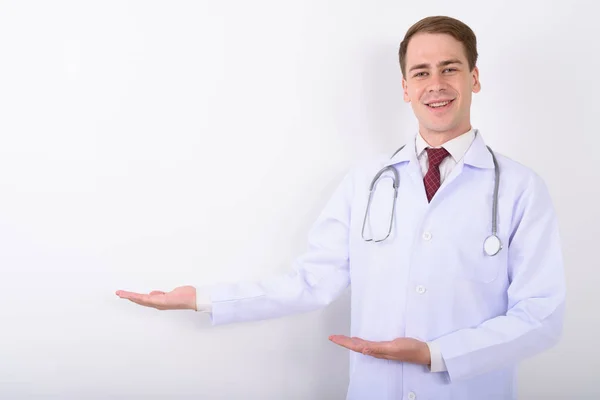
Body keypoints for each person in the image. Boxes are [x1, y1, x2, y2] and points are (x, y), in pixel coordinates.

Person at [116, 15, 566, 399]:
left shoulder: (522, 188)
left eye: (450, 68)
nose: (436, 84)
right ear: (406, 88)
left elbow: (540, 316)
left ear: (475, 78)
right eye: (422, 72)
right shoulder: (367, 182)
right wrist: (201, 299)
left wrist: (436, 355)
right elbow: (312, 282)